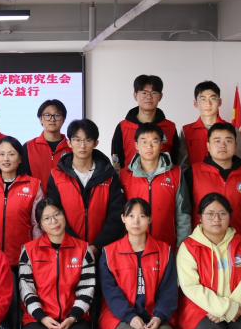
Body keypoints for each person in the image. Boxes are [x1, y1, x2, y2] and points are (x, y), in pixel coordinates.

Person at [176, 193, 241, 329]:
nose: (216, 219)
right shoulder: (189, 247)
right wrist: (224, 308)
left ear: (229, 216)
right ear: (200, 217)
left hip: (240, 305)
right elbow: (190, 286)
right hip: (201, 308)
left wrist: (231, 309)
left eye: (222, 214)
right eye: (210, 214)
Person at [99, 198, 177, 329]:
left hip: (155, 316)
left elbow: (168, 291)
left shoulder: (165, 251)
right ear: (123, 218)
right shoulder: (109, 253)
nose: (136, 221)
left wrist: (159, 316)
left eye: (142, 216)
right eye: (131, 216)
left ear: (149, 219)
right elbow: (111, 293)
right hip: (119, 316)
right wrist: (130, 317)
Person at [46, 119, 125, 254]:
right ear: (69, 143)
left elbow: (117, 215)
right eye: (77, 140)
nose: (82, 145)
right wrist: (75, 245)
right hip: (68, 249)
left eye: (88, 140)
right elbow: (54, 214)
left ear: (95, 143)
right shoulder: (56, 175)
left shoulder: (109, 175)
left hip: (104, 250)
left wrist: (96, 246)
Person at [19, 199, 95, 329]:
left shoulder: (84, 249)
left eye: (57, 214)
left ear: (64, 215)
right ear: (40, 225)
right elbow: (26, 289)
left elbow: (87, 288)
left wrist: (72, 317)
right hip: (37, 318)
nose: (54, 221)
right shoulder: (29, 251)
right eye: (47, 218)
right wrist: (42, 317)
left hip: (75, 317)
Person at [118, 123, 191, 248]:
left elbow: (183, 215)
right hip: (132, 249)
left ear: (161, 145)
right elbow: (118, 215)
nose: (149, 146)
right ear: (136, 145)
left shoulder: (176, 174)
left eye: (154, 141)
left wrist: (182, 248)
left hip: (167, 247)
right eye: (144, 142)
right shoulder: (124, 175)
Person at [0, 136, 43, 267]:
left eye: (11, 154)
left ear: (20, 159)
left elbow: (37, 224)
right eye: (1, 154)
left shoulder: (34, 185)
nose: (6, 159)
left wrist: (37, 254)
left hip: (23, 259)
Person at [185, 122, 241, 238]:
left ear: (235, 145)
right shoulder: (193, 172)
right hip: (203, 242)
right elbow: (184, 213)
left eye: (228, 141)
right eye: (217, 141)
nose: (222, 145)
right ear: (208, 146)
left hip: (239, 241)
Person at [111, 75, 180, 170]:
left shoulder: (170, 127)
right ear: (135, 95)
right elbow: (116, 158)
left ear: (160, 96)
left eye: (154, 93)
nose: (149, 97)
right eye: (144, 93)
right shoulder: (123, 127)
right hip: (129, 178)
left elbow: (176, 159)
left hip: (163, 178)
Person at [179, 81, 241, 168]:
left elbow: (240, 162)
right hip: (195, 176)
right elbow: (182, 164)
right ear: (195, 103)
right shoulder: (186, 131)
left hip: (226, 176)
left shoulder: (232, 129)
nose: (208, 104)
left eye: (213, 98)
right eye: (203, 99)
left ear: (219, 102)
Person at [24, 99, 71, 191]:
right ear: (41, 119)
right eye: (47, 115)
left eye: (57, 115)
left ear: (63, 119)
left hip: (66, 198)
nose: (52, 119)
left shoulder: (72, 147)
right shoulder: (28, 147)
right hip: (35, 198)